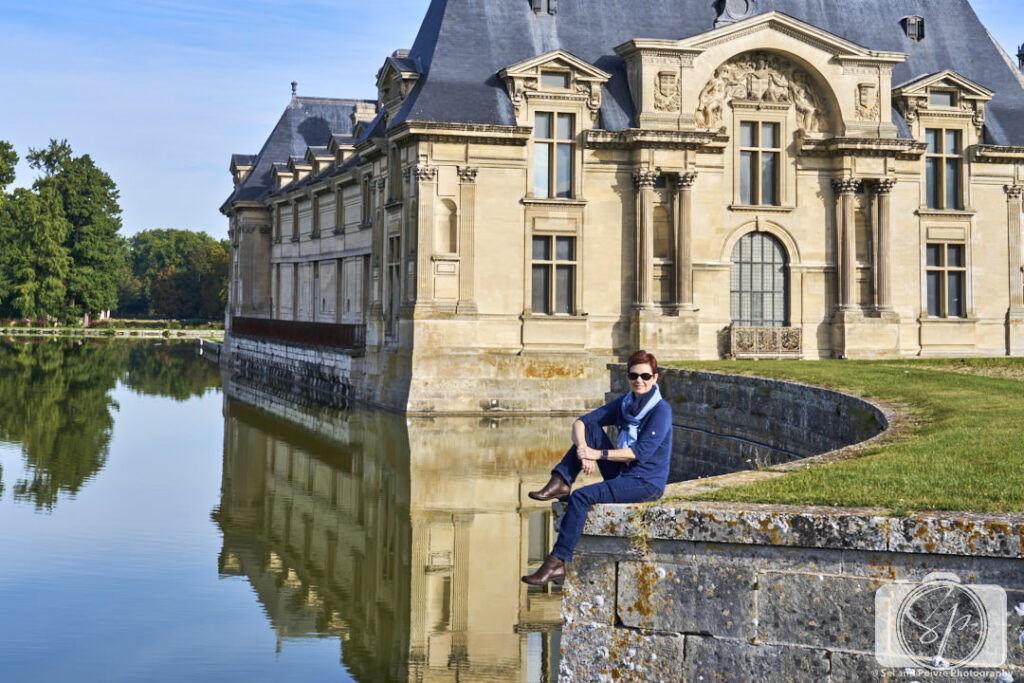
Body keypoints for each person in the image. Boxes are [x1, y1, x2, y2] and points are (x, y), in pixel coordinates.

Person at [522, 350, 672, 585]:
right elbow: (581, 422)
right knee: (591, 429)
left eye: (645, 376)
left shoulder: (661, 410)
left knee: (581, 497)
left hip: (645, 482)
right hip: (623, 474)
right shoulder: (626, 403)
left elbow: (639, 453)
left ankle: (557, 562)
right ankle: (561, 480)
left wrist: (597, 453)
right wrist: (584, 449)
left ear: (655, 378)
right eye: (633, 376)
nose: (639, 381)